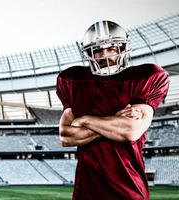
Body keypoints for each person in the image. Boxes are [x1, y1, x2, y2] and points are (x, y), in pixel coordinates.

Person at [56, 20, 170, 200]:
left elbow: (131, 130)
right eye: (98, 50)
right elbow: (66, 136)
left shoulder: (147, 76)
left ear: (123, 48)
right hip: (86, 191)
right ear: (88, 53)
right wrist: (113, 122)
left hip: (129, 189)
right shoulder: (73, 80)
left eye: (112, 48)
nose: (104, 55)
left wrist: (85, 120)